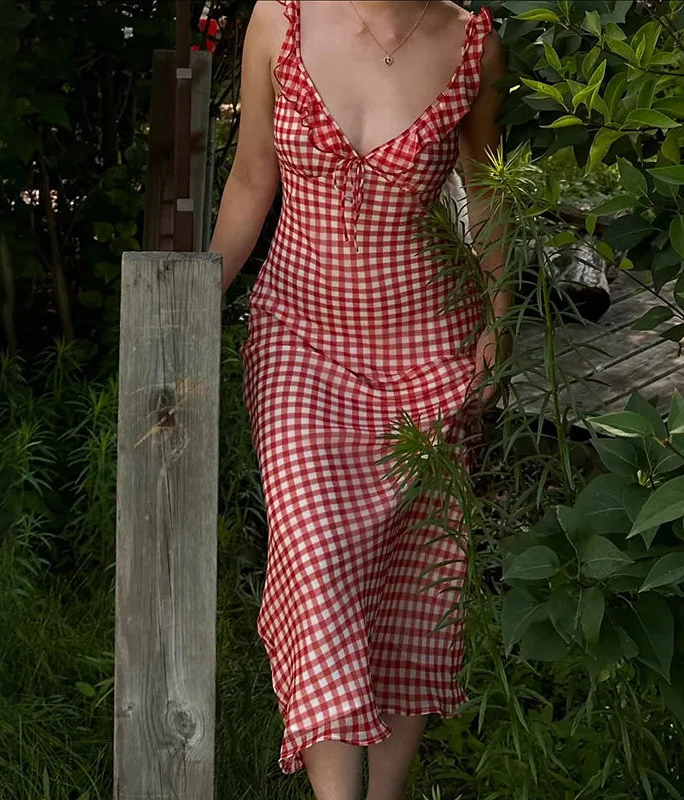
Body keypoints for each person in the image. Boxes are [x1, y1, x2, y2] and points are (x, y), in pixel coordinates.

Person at [209, 1, 507, 797]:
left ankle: (388, 793)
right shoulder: (280, 22)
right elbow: (249, 180)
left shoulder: (470, 42)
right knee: (314, 555)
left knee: (421, 575)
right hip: (301, 340)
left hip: (430, 353)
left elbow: (488, 194)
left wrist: (500, 323)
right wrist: (193, 298)